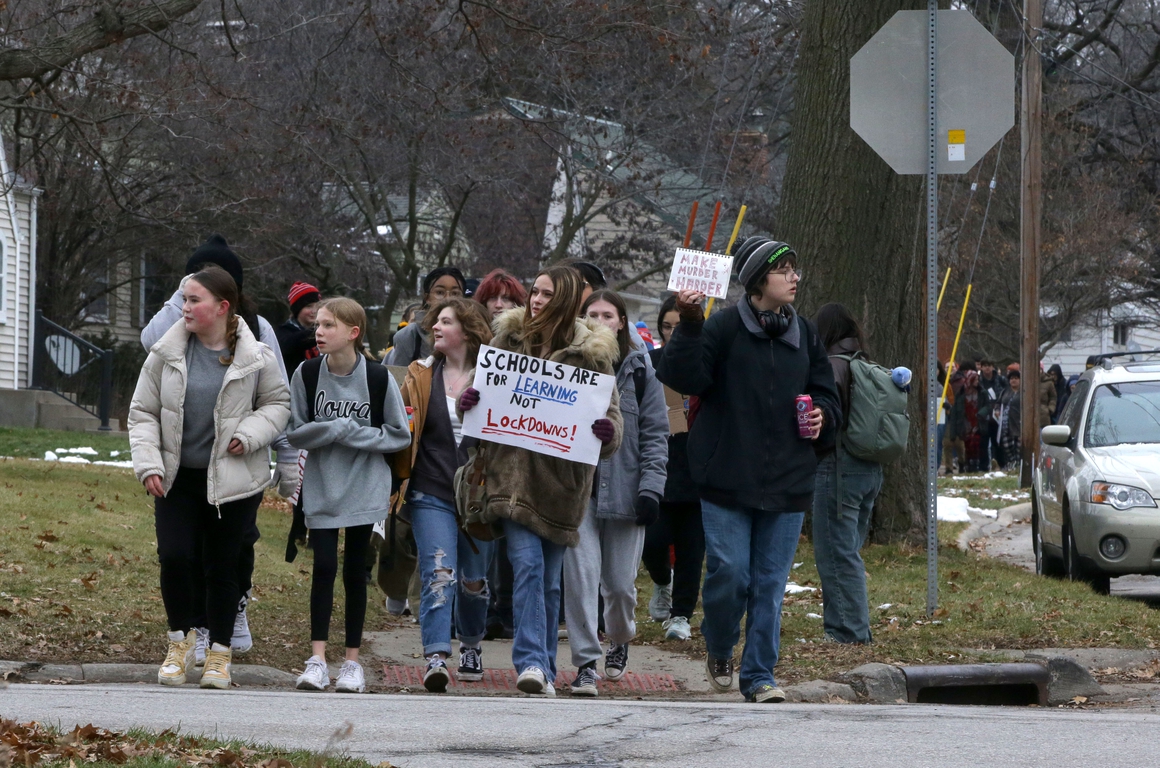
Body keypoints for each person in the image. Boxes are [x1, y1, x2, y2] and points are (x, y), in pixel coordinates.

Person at [655, 236, 840, 703]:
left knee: (769, 586)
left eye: (796, 270)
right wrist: (691, 324)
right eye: (785, 271)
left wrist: (822, 413)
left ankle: (759, 675)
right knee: (730, 574)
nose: (795, 278)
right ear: (759, 280)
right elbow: (685, 379)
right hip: (725, 479)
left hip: (789, 480)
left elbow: (826, 393)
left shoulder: (807, 333)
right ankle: (719, 645)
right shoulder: (722, 328)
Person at [457, 265, 623, 697]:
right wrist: (469, 402)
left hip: (562, 486)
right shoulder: (506, 342)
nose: (535, 300)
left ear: (566, 301)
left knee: (550, 581)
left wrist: (608, 432)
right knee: (527, 565)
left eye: (547, 294)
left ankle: (544, 669)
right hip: (510, 479)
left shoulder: (593, 353)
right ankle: (530, 662)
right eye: (534, 291)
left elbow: (612, 419)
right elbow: (480, 399)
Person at [128, 265, 290, 690]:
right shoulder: (164, 353)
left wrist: (249, 434)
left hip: (232, 480)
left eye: (193, 300)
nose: (185, 307)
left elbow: (278, 405)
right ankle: (179, 644)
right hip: (176, 478)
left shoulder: (256, 356)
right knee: (176, 557)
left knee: (222, 567)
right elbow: (142, 413)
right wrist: (149, 465)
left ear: (221, 307)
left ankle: (219, 655)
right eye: (184, 299)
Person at [288, 298, 411, 693]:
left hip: (366, 486)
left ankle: (352, 664)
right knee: (323, 567)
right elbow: (296, 430)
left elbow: (398, 434)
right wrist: (334, 428)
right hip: (322, 485)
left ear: (352, 333)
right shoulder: (306, 373)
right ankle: (318, 659)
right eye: (318, 325)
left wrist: (350, 432)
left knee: (356, 572)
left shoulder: (377, 378)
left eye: (328, 326)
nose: (318, 332)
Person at [565, 290, 668, 697]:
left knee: (620, 586)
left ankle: (620, 638)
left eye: (609, 314)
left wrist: (651, 490)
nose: (601, 320)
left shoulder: (642, 371)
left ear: (622, 322)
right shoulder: (569, 363)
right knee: (581, 579)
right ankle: (585, 663)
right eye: (592, 314)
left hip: (626, 493)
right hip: (578, 493)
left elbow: (657, 436)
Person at [398, 298, 497, 692]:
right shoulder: (420, 374)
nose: (435, 327)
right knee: (439, 574)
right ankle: (436, 655)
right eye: (435, 322)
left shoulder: (494, 376)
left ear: (468, 332)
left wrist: (483, 406)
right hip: (430, 489)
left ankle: (471, 643)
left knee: (473, 582)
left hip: (479, 497)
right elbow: (402, 423)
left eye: (445, 322)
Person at [810, 303, 884, 645]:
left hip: (838, 469)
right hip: (869, 469)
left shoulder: (832, 366)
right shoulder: (865, 363)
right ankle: (853, 627)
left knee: (837, 554)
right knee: (848, 551)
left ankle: (848, 634)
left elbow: (827, 419)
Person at [641, 294, 705, 641]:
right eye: (666, 326)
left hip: (697, 467)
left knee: (692, 546)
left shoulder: (705, 361)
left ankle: (681, 613)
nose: (672, 333)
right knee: (654, 539)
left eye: (679, 327)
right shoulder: (650, 363)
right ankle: (661, 581)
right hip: (658, 464)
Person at [385, 268, 466, 366]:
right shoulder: (409, 336)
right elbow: (398, 378)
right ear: (427, 298)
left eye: (455, 293)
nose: (447, 298)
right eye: (440, 292)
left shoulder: (474, 334)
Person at [275, 282, 322, 375]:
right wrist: (325, 328)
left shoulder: (320, 330)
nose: (314, 311)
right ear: (297, 309)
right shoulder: (284, 332)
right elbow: (297, 342)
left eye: (318, 306)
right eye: (309, 306)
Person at [977, 359, 1006, 470]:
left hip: (997, 413)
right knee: (983, 442)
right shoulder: (979, 381)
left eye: (989, 365)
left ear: (993, 367)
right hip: (984, 414)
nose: (987, 368)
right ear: (981, 367)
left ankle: (1000, 464)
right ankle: (983, 466)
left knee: (997, 441)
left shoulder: (1001, 380)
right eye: (984, 366)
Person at [998, 369, 1022, 470]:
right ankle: (1011, 463)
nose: (1014, 380)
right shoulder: (1005, 392)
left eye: (1016, 378)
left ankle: (1017, 464)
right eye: (1012, 378)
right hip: (1006, 424)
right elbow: (998, 403)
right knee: (1007, 445)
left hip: (1019, 423)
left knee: (1018, 447)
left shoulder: (1023, 392)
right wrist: (997, 410)